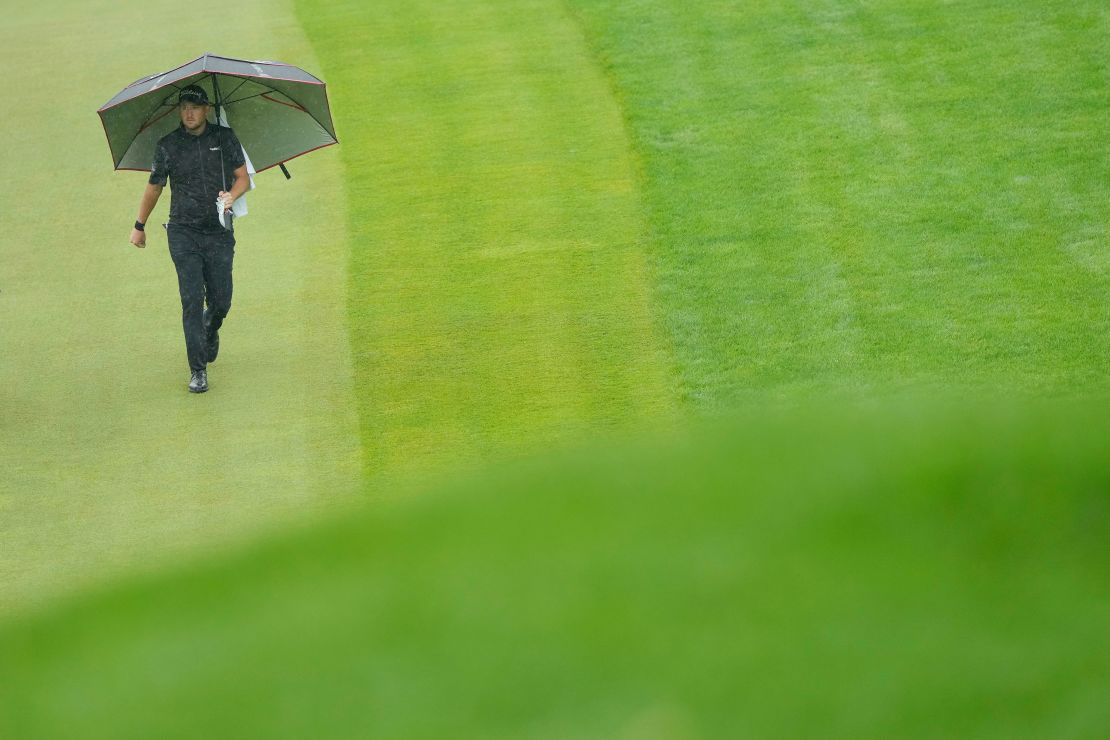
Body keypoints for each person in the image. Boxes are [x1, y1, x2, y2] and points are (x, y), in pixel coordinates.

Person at [129, 84, 250, 393]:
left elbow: (243, 178)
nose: (190, 112)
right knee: (191, 299)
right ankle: (198, 370)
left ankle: (212, 327)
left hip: (219, 231)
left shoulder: (224, 138)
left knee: (221, 301)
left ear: (206, 109)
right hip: (183, 232)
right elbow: (154, 186)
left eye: (195, 107)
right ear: (179, 111)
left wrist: (230, 198)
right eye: (184, 107)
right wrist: (139, 225)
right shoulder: (168, 145)